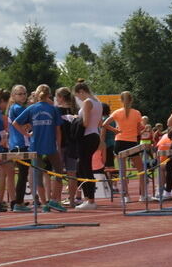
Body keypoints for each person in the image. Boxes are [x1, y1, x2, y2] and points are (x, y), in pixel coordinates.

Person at [12, 85, 67, 213]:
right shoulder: (53, 109)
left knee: (38, 175)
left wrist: (26, 134)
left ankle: (44, 204)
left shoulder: (32, 108)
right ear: (49, 95)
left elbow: (15, 123)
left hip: (35, 145)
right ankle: (53, 200)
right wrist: (58, 146)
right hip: (50, 145)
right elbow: (58, 130)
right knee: (58, 171)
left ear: (37, 94)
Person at [103, 91, 144, 202]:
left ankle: (126, 196)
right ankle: (143, 195)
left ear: (121, 100)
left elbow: (104, 124)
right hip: (132, 142)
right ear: (131, 100)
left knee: (123, 171)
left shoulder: (117, 112)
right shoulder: (136, 113)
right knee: (141, 169)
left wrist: (115, 130)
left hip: (119, 142)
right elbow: (141, 127)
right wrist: (138, 132)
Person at [72, 80, 103, 210]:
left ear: (82, 91)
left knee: (85, 168)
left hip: (87, 136)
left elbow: (85, 123)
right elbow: (100, 122)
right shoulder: (98, 102)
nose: (78, 98)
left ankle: (90, 200)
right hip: (95, 135)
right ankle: (89, 198)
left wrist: (74, 119)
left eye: (78, 95)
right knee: (82, 166)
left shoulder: (87, 102)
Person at [7, 85, 31, 211]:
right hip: (20, 144)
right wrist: (27, 132)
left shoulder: (16, 108)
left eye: (24, 93)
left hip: (17, 144)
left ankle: (18, 201)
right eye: (19, 94)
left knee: (23, 173)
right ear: (13, 96)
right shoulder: (17, 108)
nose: (23, 96)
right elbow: (26, 122)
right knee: (23, 174)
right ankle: (18, 203)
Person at [55, 87, 80, 207]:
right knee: (72, 173)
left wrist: (57, 146)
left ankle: (58, 200)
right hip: (74, 144)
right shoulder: (76, 110)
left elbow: (57, 130)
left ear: (60, 97)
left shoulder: (57, 111)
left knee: (58, 173)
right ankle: (72, 200)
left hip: (62, 144)